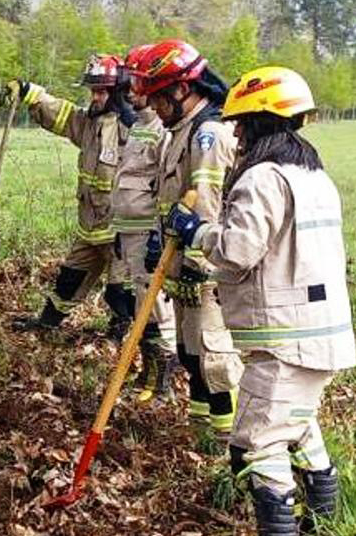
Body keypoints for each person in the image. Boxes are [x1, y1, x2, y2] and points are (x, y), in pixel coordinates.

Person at [166, 66, 356, 536]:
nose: (236, 133)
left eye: (240, 124)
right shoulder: (315, 177)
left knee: (257, 444)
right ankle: (323, 524)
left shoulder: (263, 179)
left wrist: (197, 231)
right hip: (320, 334)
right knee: (299, 422)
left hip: (284, 342)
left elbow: (237, 251)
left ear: (256, 122)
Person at [135, 39, 244, 436]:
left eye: (159, 100)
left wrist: (198, 264)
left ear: (182, 90)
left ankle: (229, 441)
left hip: (205, 270)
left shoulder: (208, 135)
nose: (154, 109)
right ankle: (200, 430)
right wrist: (155, 239)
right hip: (179, 261)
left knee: (213, 359)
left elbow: (209, 205)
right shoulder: (178, 130)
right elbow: (170, 198)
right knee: (188, 351)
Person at [4, 54, 137, 337]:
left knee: (121, 293)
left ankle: (128, 336)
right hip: (90, 227)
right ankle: (47, 324)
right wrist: (31, 93)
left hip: (121, 233)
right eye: (93, 90)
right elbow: (61, 114)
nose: (95, 97)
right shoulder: (90, 122)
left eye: (101, 91)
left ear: (117, 92)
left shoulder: (133, 129)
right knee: (68, 279)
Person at [110, 44, 177, 400]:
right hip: (129, 230)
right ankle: (148, 374)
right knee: (140, 304)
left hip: (147, 232)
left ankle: (162, 379)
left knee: (155, 307)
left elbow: (166, 186)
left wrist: (156, 235)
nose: (129, 93)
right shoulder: (139, 126)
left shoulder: (163, 131)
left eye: (136, 86)